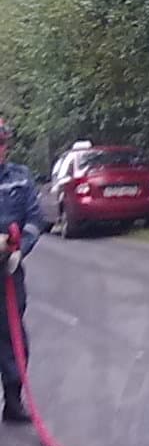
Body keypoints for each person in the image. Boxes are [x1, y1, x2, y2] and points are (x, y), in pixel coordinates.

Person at [0, 117, 47, 423]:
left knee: (12, 334)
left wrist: (20, 249)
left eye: (1, 142)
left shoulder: (20, 177)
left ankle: (13, 400)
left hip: (8, 270)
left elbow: (34, 218)